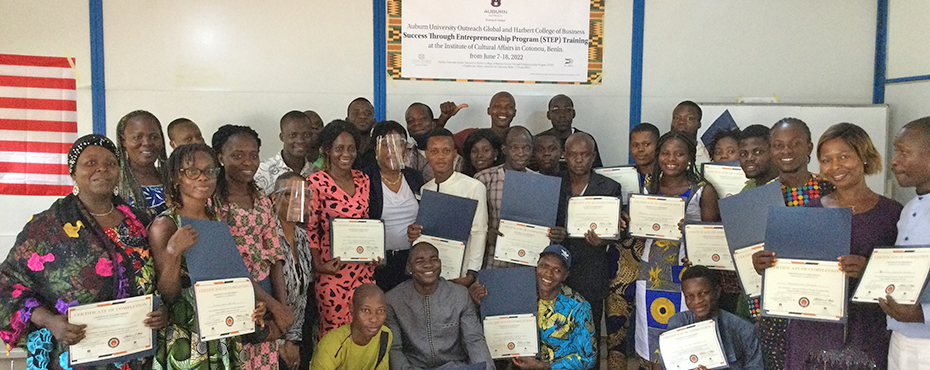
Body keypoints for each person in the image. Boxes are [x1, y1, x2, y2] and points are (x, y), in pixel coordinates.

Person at [0, 135, 165, 370]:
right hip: (75, 355)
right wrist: (50, 322)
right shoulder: (47, 226)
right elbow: (6, 285)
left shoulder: (139, 221)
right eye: (90, 163)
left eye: (110, 163)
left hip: (136, 354)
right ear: (73, 173)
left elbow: (160, 277)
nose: (102, 169)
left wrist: (161, 309)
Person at [751, 123, 901, 368]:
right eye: (826, 160)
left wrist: (869, 272)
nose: (835, 167)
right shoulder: (809, 212)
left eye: (844, 157)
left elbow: (906, 280)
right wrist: (765, 266)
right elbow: (790, 274)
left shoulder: (891, 214)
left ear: (864, 156)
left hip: (866, 335)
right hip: (811, 337)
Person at [148, 143, 266, 370]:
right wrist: (174, 251)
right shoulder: (165, 224)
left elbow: (229, 278)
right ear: (176, 178)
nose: (203, 178)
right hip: (186, 336)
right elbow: (168, 294)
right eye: (193, 172)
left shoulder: (216, 220)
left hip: (222, 331)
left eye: (210, 171)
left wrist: (250, 304)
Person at [750, 117, 832, 370]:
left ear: (809, 147)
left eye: (795, 143)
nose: (786, 151)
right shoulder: (758, 197)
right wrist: (754, 261)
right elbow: (748, 249)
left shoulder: (830, 191)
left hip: (821, 302)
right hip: (774, 306)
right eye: (778, 145)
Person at [637, 131, 720, 367]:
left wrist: (692, 227)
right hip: (651, 269)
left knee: (684, 338)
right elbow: (641, 229)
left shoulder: (703, 190)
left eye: (679, 154)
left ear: (690, 157)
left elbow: (711, 236)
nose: (671, 158)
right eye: (665, 153)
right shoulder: (648, 186)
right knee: (651, 335)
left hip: (686, 273)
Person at [212, 125, 292, 370]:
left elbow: (275, 255)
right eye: (237, 155)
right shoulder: (212, 202)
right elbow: (226, 264)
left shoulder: (261, 199)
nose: (247, 161)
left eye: (253, 154)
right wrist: (273, 303)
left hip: (265, 299)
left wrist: (281, 305)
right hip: (231, 298)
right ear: (220, 158)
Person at [556, 133, 625, 367]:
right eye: (573, 155)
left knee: (589, 333)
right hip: (556, 271)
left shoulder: (609, 187)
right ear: (565, 156)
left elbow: (620, 231)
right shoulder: (553, 184)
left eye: (584, 155)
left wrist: (605, 240)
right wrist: (553, 232)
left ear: (593, 156)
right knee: (557, 333)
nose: (578, 160)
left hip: (592, 271)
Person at [306, 120, 379, 338]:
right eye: (339, 148)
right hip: (333, 271)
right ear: (327, 150)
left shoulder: (363, 179)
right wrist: (319, 264)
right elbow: (310, 230)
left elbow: (367, 222)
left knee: (365, 330)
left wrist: (375, 253)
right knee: (336, 335)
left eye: (351, 148)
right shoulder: (315, 182)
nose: (345, 154)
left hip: (364, 270)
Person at [471, 244, 598, 369]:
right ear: (536, 266)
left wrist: (544, 366)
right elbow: (502, 327)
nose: (548, 274)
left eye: (557, 270)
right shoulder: (519, 293)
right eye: (544, 266)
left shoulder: (578, 306)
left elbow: (589, 357)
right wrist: (485, 306)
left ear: (565, 275)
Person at [385, 242, 494, 370]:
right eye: (420, 261)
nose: (428, 265)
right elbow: (394, 348)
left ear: (440, 263)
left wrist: (486, 368)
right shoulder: (393, 300)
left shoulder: (460, 295)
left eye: (434, 259)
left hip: (455, 367)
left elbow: (474, 340)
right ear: (409, 267)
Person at [408, 128, 488, 286]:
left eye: (446, 151)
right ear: (427, 155)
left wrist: (472, 272)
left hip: (461, 273)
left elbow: (479, 232)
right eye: (434, 151)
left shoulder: (473, 187)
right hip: (430, 273)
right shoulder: (426, 190)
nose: (440, 157)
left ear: (455, 154)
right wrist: (414, 233)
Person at [883, 116, 930, 370]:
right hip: (901, 337)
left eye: (903, 152)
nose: (894, 161)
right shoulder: (909, 208)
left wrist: (921, 314)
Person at [658, 266, 762, 370]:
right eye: (689, 296)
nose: (697, 301)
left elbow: (756, 366)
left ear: (717, 292)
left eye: (703, 293)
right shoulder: (677, 324)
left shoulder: (742, 329)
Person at [362, 121, 424, 292]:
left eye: (398, 144)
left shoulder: (415, 178)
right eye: (385, 145)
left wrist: (419, 229)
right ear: (375, 149)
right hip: (378, 263)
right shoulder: (364, 178)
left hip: (411, 262)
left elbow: (426, 216)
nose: (392, 150)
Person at [475, 126, 537, 269]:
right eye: (514, 148)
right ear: (504, 150)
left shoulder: (539, 182)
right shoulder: (484, 178)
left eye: (526, 148)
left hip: (527, 263)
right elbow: (472, 222)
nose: (521, 153)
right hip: (492, 261)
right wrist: (486, 234)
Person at [271, 172, 316, 370]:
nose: (301, 200)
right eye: (292, 194)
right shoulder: (265, 235)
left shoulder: (303, 237)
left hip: (294, 337)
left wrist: (293, 341)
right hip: (266, 338)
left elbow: (301, 296)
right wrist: (280, 343)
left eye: (306, 194)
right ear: (274, 198)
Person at [310, 283, 392, 370]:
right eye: (366, 310)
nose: (374, 319)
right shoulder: (331, 345)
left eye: (380, 311)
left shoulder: (385, 335)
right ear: (352, 310)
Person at [115, 110, 168, 220]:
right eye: (137, 137)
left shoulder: (173, 179)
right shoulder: (113, 183)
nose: (147, 143)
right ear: (123, 141)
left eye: (154, 137)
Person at [254, 110, 323, 195]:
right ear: (282, 137)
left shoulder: (316, 173)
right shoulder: (262, 171)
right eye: (293, 135)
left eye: (306, 135)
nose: (300, 141)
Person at [403, 102, 464, 182]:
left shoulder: (455, 159)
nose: (416, 123)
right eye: (410, 121)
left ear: (433, 123)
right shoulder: (404, 154)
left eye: (422, 119)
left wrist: (443, 118)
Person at [537, 94, 603, 168]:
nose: (562, 115)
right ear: (548, 115)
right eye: (556, 110)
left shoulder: (585, 140)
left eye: (567, 110)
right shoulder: (539, 140)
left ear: (574, 114)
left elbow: (597, 171)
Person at [737, 124, 779, 191]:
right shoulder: (748, 189)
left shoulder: (791, 186)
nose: (749, 158)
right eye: (743, 154)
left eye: (757, 152)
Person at [346, 97, 378, 170]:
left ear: (374, 121)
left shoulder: (380, 148)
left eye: (368, 113)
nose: (362, 117)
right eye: (356, 113)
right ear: (347, 121)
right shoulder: (343, 149)